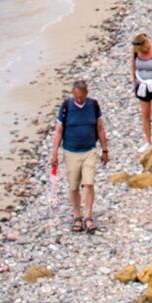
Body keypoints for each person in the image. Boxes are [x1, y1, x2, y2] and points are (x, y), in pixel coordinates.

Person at [51, 78, 109, 234]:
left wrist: (105, 150)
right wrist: (54, 153)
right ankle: (77, 216)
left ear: (86, 94)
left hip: (89, 150)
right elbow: (58, 131)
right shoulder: (66, 107)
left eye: (82, 97)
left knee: (89, 183)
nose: (79, 99)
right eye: (77, 97)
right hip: (70, 151)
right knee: (73, 186)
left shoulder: (93, 106)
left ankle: (88, 217)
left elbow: (100, 128)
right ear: (73, 94)